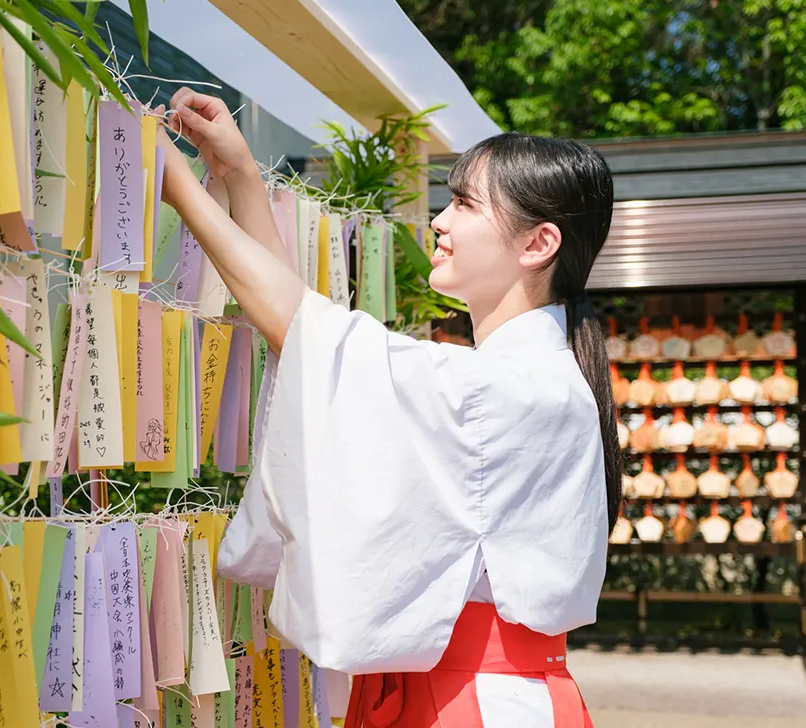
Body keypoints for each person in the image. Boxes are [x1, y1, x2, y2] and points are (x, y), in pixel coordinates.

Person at [157, 87, 620, 728]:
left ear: (538, 243)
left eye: (464, 203)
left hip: (479, 702)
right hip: (465, 692)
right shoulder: (518, 377)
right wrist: (238, 178)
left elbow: (310, 336)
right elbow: (313, 349)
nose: (440, 221)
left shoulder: (517, 385)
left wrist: (181, 187)